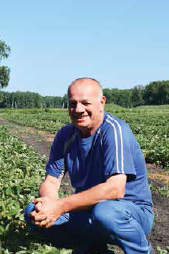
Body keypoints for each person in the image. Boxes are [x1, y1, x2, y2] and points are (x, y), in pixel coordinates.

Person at [24, 78, 154, 254]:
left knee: (105, 213)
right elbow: (51, 182)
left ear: (102, 102)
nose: (78, 109)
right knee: (33, 212)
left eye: (86, 103)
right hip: (90, 211)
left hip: (129, 211)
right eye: (72, 103)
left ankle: (141, 251)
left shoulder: (114, 130)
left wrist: (60, 206)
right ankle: (94, 248)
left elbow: (115, 190)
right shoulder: (65, 135)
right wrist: (49, 204)